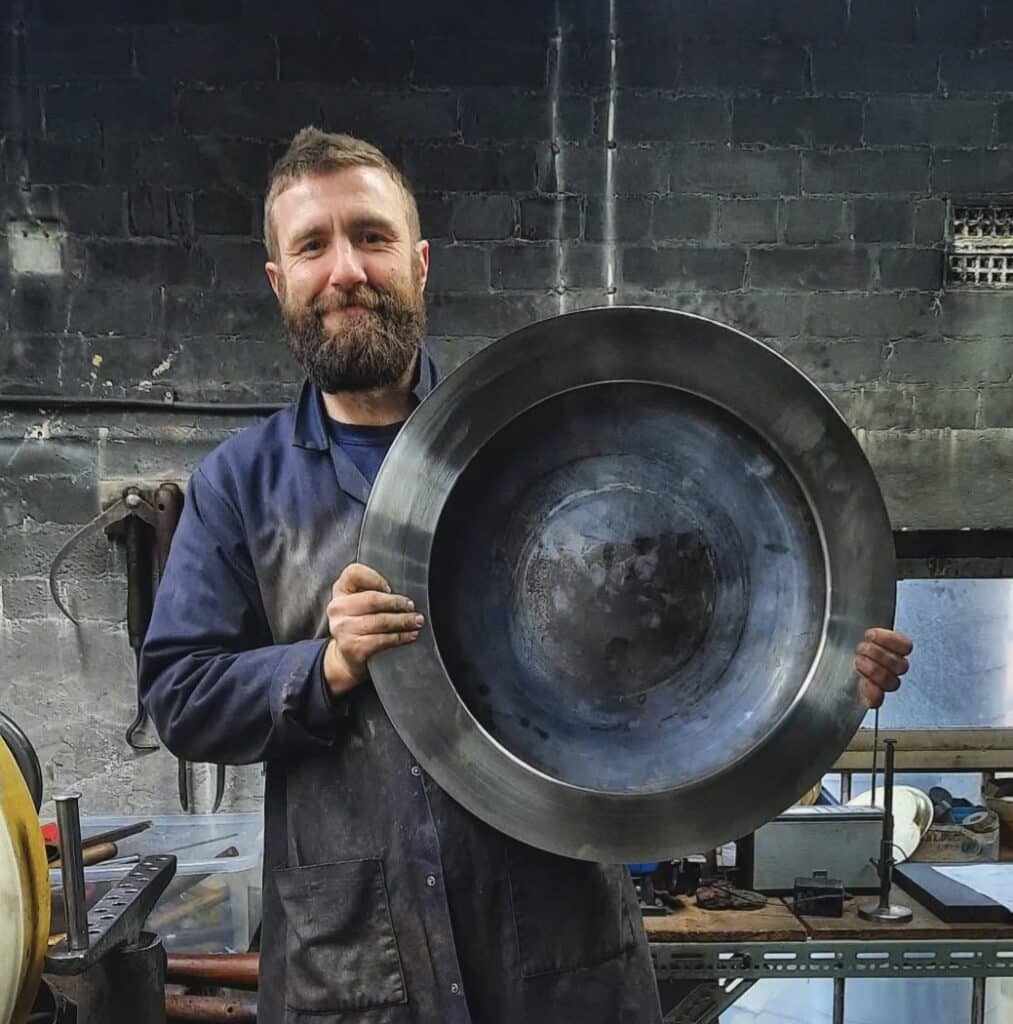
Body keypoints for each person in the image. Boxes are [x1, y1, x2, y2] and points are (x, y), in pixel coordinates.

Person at [140, 126, 914, 1024]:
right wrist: (322, 669)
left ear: (419, 261)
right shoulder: (240, 485)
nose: (345, 269)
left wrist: (824, 675)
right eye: (312, 245)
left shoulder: (540, 432)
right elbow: (179, 693)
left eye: (372, 236)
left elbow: (729, 610)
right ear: (280, 281)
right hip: (356, 970)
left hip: (558, 958)